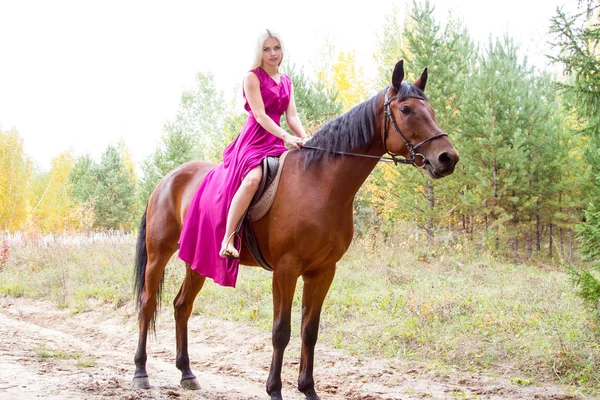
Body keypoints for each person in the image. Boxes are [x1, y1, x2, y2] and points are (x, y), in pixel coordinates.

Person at [178, 29, 308, 287]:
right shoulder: (252, 78)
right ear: (259, 52)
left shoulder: (287, 81)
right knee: (252, 181)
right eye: (267, 49)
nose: (273, 54)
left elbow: (291, 116)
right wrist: (286, 137)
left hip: (277, 140)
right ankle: (228, 238)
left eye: (276, 48)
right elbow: (260, 116)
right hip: (254, 141)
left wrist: (306, 139)